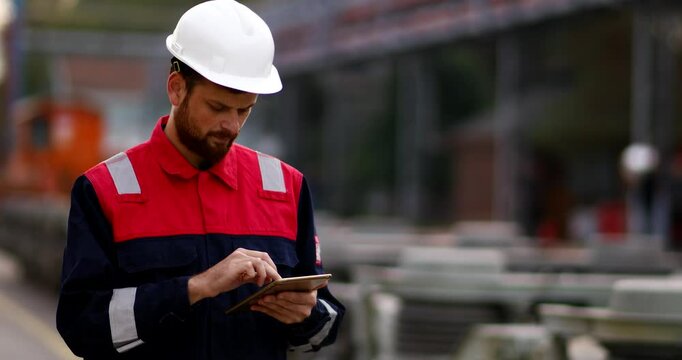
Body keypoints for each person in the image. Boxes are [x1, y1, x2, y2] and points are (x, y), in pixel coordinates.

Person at [56, 1, 344, 359]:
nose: (232, 126)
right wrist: (194, 288)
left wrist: (306, 315)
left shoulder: (286, 188)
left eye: (245, 110)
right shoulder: (104, 190)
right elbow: (81, 325)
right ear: (176, 89)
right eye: (218, 108)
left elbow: (326, 325)